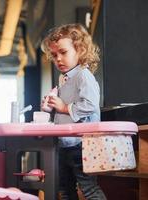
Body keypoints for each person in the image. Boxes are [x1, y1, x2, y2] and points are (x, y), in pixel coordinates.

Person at [40, 23, 107, 200]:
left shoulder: (83, 75)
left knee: (89, 188)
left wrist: (62, 107)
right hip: (65, 143)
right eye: (54, 55)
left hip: (83, 144)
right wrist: (51, 106)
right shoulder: (64, 79)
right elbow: (65, 109)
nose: (58, 59)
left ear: (80, 50)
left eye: (63, 52)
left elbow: (90, 104)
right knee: (64, 188)